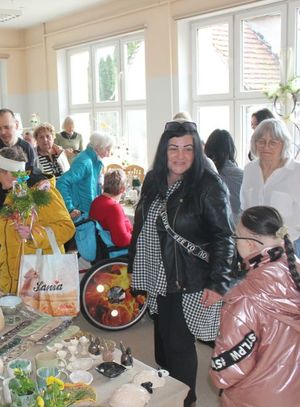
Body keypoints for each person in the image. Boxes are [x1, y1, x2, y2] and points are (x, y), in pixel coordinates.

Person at [129, 120, 235, 407]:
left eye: (188, 148)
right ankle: (170, 393)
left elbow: (224, 236)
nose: (180, 155)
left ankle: (186, 400)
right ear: (164, 150)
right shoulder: (153, 179)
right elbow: (140, 225)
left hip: (187, 276)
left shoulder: (208, 184)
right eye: (173, 148)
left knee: (178, 345)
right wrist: (133, 264)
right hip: (157, 273)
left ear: (197, 151)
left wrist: (218, 283)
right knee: (164, 341)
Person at [210, 206, 300, 406]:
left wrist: (218, 376)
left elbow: (226, 373)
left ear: (249, 244)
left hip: (256, 397)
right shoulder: (294, 270)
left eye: (236, 237)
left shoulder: (243, 299)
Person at [0, 146, 74, 293]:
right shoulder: (14, 194)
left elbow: (67, 228)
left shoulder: (43, 192)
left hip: (38, 281)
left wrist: (33, 235)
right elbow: (11, 233)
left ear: (10, 172)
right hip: (12, 281)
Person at [240, 118, 300, 256]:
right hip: (256, 247)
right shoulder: (250, 170)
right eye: (261, 141)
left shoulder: (297, 172)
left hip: (290, 246)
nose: (266, 147)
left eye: (273, 142)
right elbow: (245, 209)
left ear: (284, 144)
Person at [0, 109, 37, 210]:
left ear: (16, 125)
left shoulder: (28, 148)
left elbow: (34, 175)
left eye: (6, 127)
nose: (3, 132)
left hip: (24, 204)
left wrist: (15, 182)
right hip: (0, 204)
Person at [57, 132, 114, 219]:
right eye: (107, 149)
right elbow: (62, 182)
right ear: (98, 147)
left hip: (88, 212)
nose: (109, 154)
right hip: (81, 214)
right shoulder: (85, 161)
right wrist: (70, 208)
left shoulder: (95, 161)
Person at [204, 129, 244, 224]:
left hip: (210, 225)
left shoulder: (204, 174)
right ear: (231, 149)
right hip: (238, 226)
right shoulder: (243, 175)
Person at [89, 169, 132, 248]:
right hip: (113, 250)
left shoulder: (96, 201)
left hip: (100, 246)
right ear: (122, 189)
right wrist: (136, 237)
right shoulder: (113, 207)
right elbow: (121, 240)